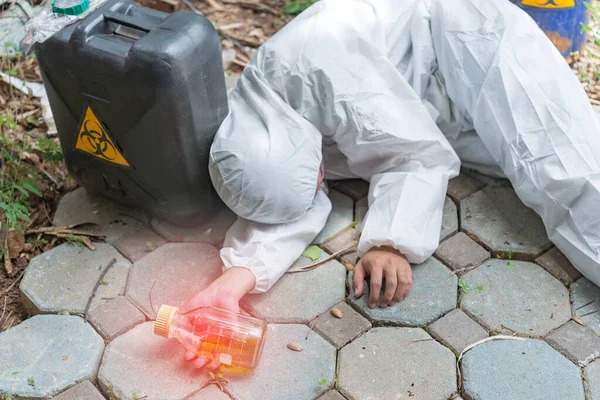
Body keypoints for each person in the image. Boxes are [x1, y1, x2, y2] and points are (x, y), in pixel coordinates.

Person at [182, 0, 600, 369]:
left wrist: (389, 242)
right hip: (426, 103)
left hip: (466, 42)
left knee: (561, 169)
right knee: (524, 166)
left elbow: (415, 154)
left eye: (316, 178)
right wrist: (235, 280)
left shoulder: (322, 72)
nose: (320, 184)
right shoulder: (253, 135)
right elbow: (283, 201)